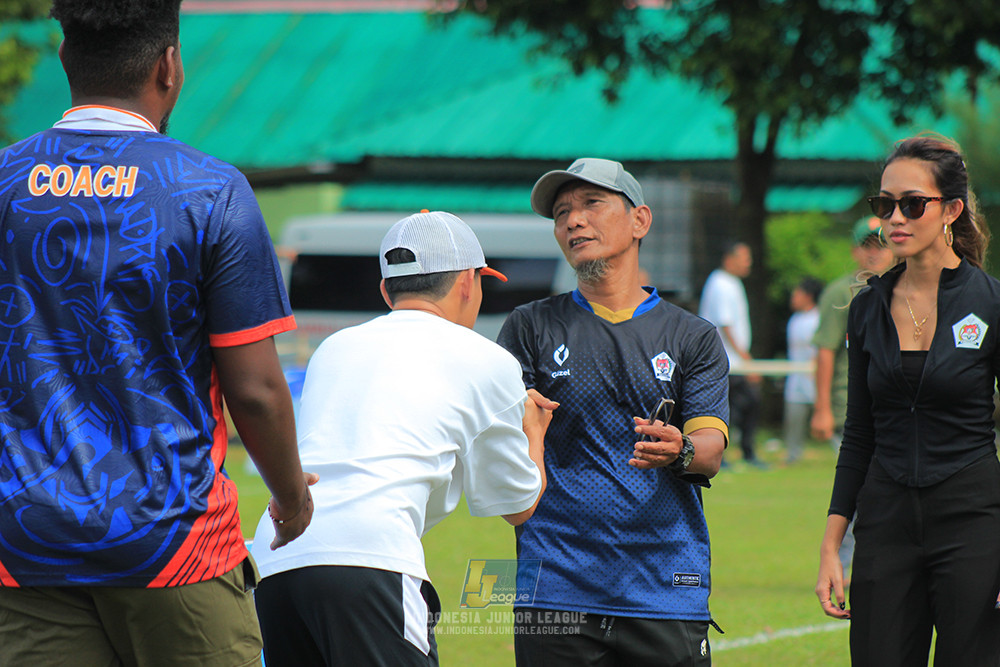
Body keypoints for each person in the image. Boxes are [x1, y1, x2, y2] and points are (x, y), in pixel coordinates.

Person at [0, 2, 315, 665]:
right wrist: (291, 499)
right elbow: (256, 390)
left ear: (64, 59)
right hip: (176, 546)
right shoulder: (209, 191)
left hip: (24, 548)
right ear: (168, 65)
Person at [251, 210, 549, 666]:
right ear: (469, 282)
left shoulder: (335, 347)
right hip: (372, 559)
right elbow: (518, 505)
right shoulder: (489, 359)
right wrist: (535, 432)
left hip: (276, 559)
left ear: (387, 290)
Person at [499, 158, 728, 666]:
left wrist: (680, 449)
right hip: (555, 587)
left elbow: (709, 453)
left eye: (591, 204)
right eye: (562, 213)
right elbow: (507, 453)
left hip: (665, 584)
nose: (574, 221)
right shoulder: (529, 328)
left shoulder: (693, 336)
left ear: (640, 221)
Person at [816, 134, 1000, 665]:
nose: (893, 218)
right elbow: (859, 436)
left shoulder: (990, 304)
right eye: (884, 204)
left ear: (951, 210)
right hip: (885, 524)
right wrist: (832, 546)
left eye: (912, 204)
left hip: (973, 522)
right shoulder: (866, 308)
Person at [810, 216, 894, 577]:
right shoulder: (841, 293)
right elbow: (826, 352)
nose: (874, 253)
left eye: (881, 245)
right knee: (858, 490)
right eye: (867, 245)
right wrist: (823, 409)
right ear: (855, 250)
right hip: (851, 411)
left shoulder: (904, 289)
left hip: (891, 413)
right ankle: (843, 563)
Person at [699, 242, 765, 468]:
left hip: (734, 360)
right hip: (726, 361)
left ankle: (744, 452)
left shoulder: (730, 283)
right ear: (729, 259)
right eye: (744, 258)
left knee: (746, 404)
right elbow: (725, 325)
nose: (749, 263)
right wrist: (746, 359)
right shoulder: (721, 284)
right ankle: (727, 454)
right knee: (735, 407)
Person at [782, 277, 823, 465]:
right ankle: (793, 454)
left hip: (813, 377)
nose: (793, 297)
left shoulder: (817, 319)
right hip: (796, 379)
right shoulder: (795, 319)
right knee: (794, 418)